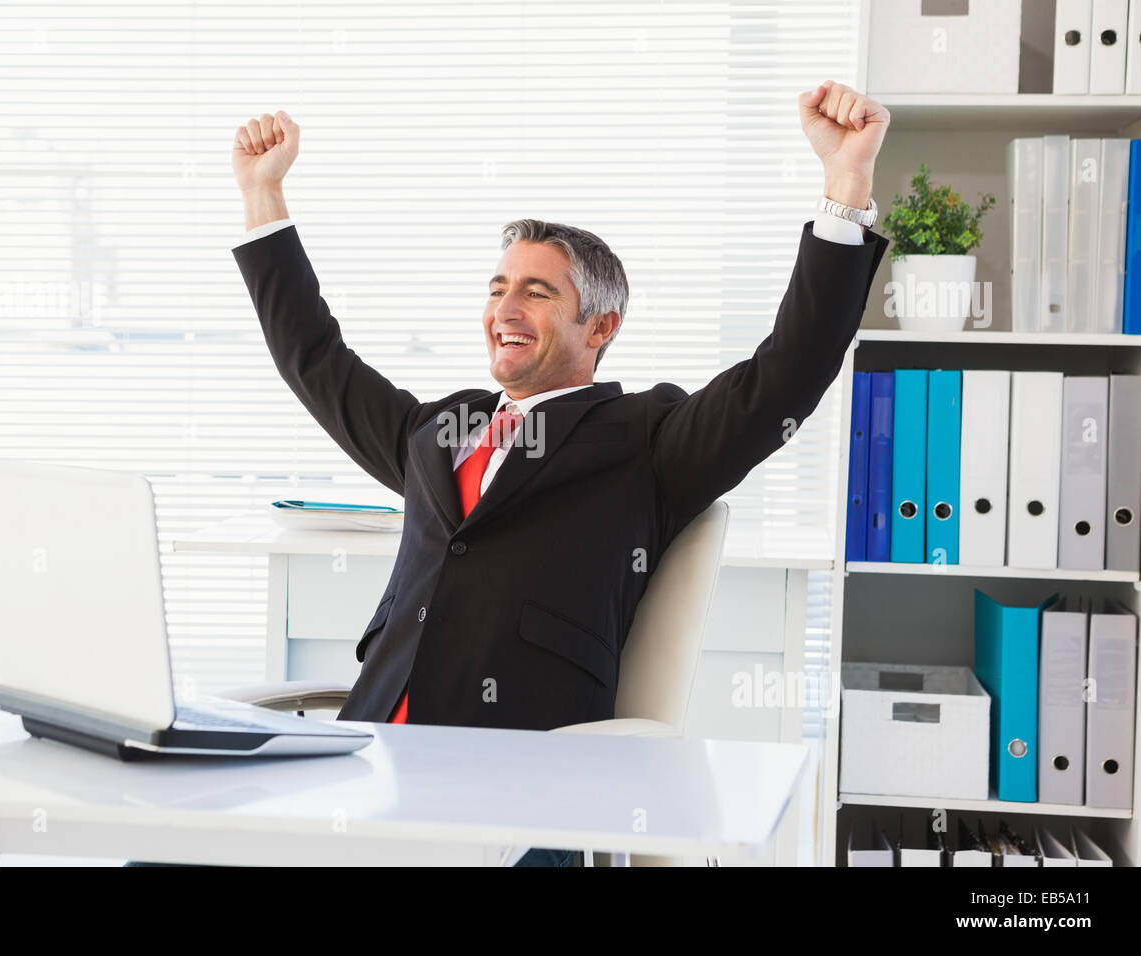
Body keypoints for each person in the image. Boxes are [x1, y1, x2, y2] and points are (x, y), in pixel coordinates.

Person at [225, 82, 890, 867]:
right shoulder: (438, 430)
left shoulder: (648, 439)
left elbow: (784, 376)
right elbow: (315, 358)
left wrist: (844, 193)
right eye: (499, 288)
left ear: (599, 327)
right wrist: (264, 196)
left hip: (521, 790)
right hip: (366, 772)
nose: (506, 307)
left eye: (537, 293)